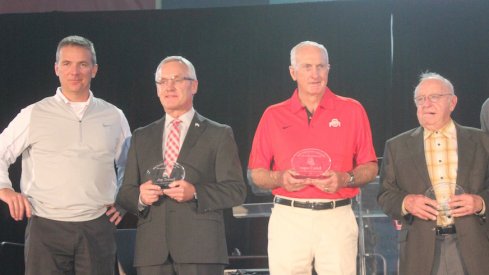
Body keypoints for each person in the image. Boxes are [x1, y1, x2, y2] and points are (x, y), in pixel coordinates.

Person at [0, 35, 131, 274]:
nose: (75, 71)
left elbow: (130, 166)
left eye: (83, 64)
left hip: (97, 228)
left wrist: (123, 199)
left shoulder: (114, 115)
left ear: (94, 70)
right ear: (56, 68)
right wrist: (5, 189)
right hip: (46, 228)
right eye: (67, 63)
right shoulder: (34, 113)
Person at [248, 41, 378, 275]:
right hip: (289, 217)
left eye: (321, 66)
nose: (315, 74)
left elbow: (370, 167)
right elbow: (256, 173)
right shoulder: (273, 115)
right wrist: (280, 178)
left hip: (337, 216)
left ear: (329, 69)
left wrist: (345, 178)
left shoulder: (352, 110)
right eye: (307, 66)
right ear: (292, 72)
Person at [116, 56, 247, 275]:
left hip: (200, 249)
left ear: (194, 85)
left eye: (177, 79)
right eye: (162, 81)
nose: (169, 87)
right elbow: (125, 192)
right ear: (157, 89)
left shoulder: (218, 133)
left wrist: (196, 192)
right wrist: (140, 196)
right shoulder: (141, 136)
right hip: (152, 253)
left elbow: (236, 190)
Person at [378, 72, 489, 275]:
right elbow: (385, 195)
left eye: (434, 97)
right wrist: (406, 203)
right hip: (421, 250)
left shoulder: (482, 141)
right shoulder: (396, 146)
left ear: (452, 102)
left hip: (474, 247)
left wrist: (481, 203)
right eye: (420, 99)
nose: (426, 104)